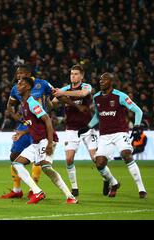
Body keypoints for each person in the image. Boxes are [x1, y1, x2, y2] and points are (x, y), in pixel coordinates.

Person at [78, 73, 147, 198]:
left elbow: (138, 111)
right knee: (99, 164)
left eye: (104, 79)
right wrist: (88, 127)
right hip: (104, 135)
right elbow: (98, 116)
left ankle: (141, 189)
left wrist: (136, 126)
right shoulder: (97, 97)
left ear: (111, 81)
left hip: (120, 132)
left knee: (126, 155)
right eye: (100, 79)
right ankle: (114, 183)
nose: (101, 81)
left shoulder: (120, 96)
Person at [12, 77, 78, 204]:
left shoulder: (33, 103)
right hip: (36, 142)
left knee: (46, 167)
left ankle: (70, 197)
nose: (17, 86)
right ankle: (38, 192)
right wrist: (23, 132)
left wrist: (49, 142)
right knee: (16, 164)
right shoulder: (24, 104)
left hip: (46, 139)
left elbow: (47, 119)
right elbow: (33, 123)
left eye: (20, 84)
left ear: (27, 87)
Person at [0, 65, 52, 199]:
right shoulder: (15, 88)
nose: (19, 77)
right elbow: (10, 106)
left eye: (22, 74)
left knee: (37, 158)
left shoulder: (43, 84)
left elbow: (55, 95)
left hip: (38, 126)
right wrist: (16, 117)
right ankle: (17, 190)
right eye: (17, 74)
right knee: (14, 156)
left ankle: (33, 189)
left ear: (29, 74)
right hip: (25, 125)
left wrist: (48, 110)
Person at [52, 64, 98, 196]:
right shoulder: (65, 88)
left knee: (96, 159)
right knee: (69, 159)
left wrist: (63, 93)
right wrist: (55, 96)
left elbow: (82, 94)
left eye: (76, 74)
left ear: (82, 76)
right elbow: (54, 102)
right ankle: (75, 188)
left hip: (87, 128)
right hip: (71, 129)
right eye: (72, 74)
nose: (73, 76)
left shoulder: (86, 86)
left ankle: (108, 179)